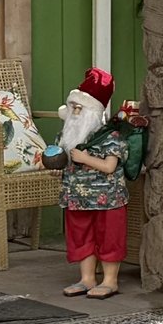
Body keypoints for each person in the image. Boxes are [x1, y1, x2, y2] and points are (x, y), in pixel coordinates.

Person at [53, 68, 131, 299]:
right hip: (77, 198)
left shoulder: (110, 137)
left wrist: (85, 158)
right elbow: (64, 159)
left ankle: (110, 281)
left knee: (109, 237)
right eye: (73, 107)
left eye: (80, 108)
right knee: (81, 236)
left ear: (93, 111)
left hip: (107, 198)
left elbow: (109, 166)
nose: (75, 112)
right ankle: (86, 279)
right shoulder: (66, 135)